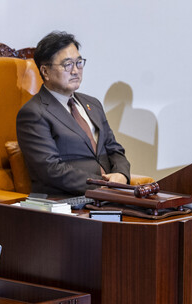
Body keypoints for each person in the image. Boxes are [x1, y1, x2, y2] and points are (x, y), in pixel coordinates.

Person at [17, 31, 130, 195]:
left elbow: (114, 150)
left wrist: (121, 174)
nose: (76, 71)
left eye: (79, 63)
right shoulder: (33, 113)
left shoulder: (93, 104)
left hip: (108, 196)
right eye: (68, 64)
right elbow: (51, 170)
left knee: (162, 205)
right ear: (45, 71)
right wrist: (102, 187)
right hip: (67, 200)